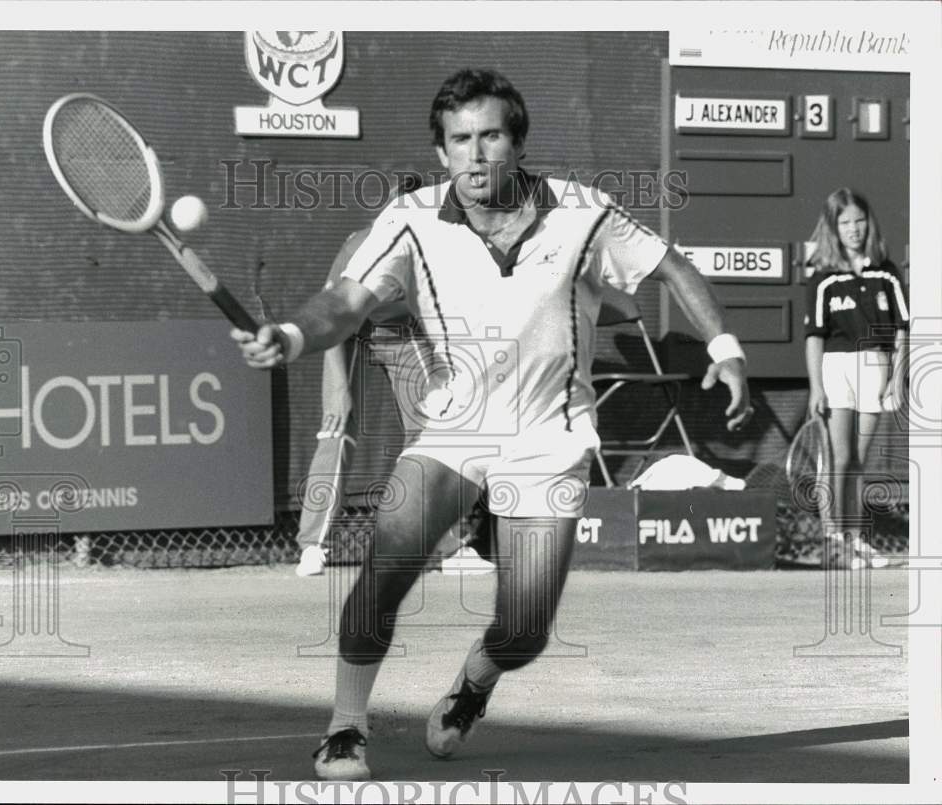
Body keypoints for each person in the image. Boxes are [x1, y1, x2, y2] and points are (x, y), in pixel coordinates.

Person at [232, 68, 752, 781]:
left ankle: (475, 681)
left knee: (524, 628)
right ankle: (346, 725)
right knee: (386, 562)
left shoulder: (583, 213)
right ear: (441, 151)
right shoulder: (409, 218)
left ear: (517, 141)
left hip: (550, 439)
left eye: (490, 136)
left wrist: (724, 348)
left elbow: (672, 268)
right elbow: (348, 300)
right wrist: (292, 335)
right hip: (456, 429)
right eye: (459, 140)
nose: (475, 155)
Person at [295, 181, 495, 578]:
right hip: (348, 329)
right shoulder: (362, 245)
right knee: (336, 428)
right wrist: (339, 393)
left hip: (405, 332)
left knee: (437, 431)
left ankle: (447, 546)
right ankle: (311, 547)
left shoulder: (448, 245)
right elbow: (334, 314)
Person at [804, 187, 909, 569]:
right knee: (839, 457)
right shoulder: (823, 277)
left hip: (875, 367)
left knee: (860, 461)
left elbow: (902, 329)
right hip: (836, 368)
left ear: (870, 223)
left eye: (860, 221)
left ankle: (856, 539)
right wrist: (816, 387)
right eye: (845, 223)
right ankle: (834, 540)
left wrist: (898, 377)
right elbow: (814, 338)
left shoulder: (887, 271)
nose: (854, 229)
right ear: (833, 227)